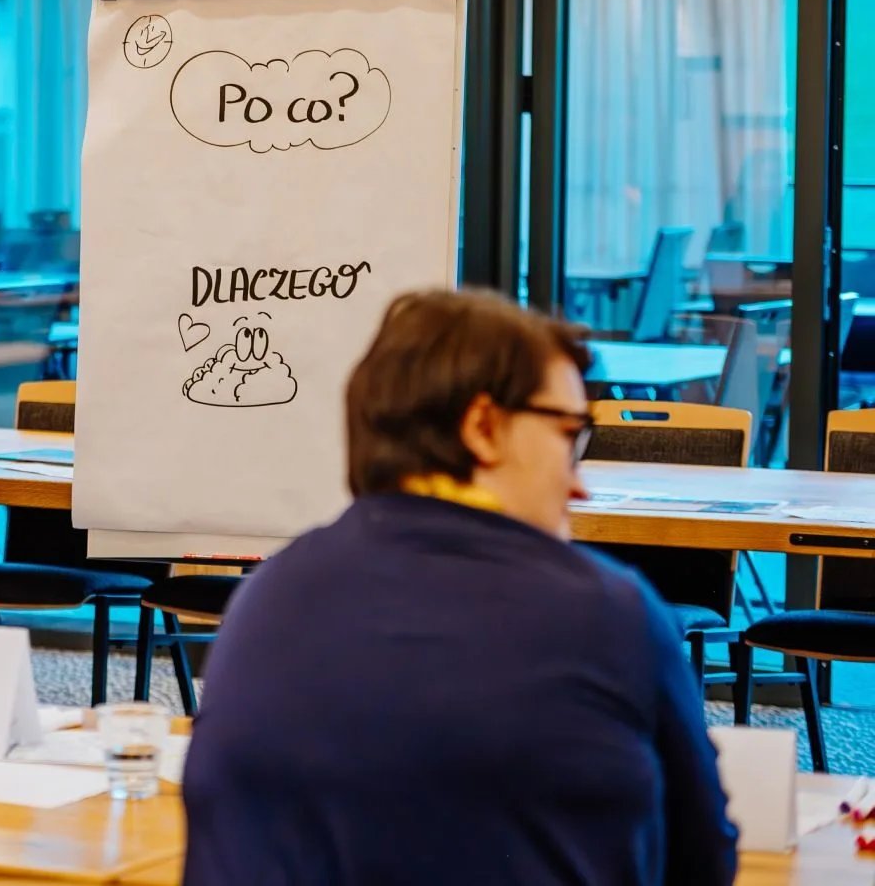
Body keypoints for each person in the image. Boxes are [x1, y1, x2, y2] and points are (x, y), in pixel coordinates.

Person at [183, 289, 736, 886]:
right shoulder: (607, 615)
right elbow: (704, 860)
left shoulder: (268, 597)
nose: (580, 485)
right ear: (483, 427)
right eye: (569, 435)